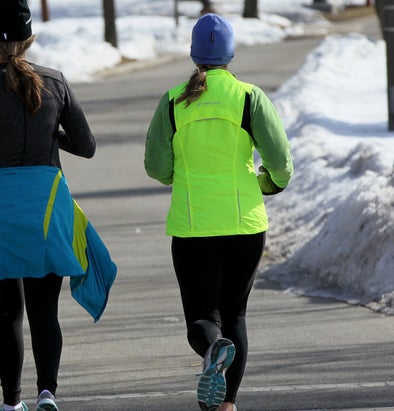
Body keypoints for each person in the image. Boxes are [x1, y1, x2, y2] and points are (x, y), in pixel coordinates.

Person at [0, 1, 116, 410]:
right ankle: (47, 392)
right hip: (46, 202)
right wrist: (52, 135)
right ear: (30, 38)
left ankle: (11, 402)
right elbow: (85, 146)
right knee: (44, 308)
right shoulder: (55, 81)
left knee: (8, 306)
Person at [144, 14, 293, 411]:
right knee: (236, 315)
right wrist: (265, 183)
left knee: (202, 317)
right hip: (245, 225)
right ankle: (227, 405)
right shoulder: (249, 97)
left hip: (193, 228)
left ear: (194, 55)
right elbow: (280, 162)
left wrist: (185, 173)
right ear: (230, 54)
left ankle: (212, 351)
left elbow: (157, 169)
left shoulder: (173, 101)